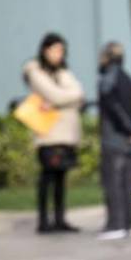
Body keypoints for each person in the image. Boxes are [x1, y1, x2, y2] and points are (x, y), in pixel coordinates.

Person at [23, 33, 84, 234]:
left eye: (62, 50)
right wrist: (68, 98)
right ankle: (43, 221)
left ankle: (59, 219)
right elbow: (55, 95)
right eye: (55, 49)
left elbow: (79, 93)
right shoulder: (35, 70)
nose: (59, 54)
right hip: (48, 134)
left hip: (66, 135)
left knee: (61, 178)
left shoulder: (63, 72)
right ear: (45, 50)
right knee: (47, 178)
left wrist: (62, 100)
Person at [97, 42, 131, 240]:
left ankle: (115, 225)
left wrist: (126, 127)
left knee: (112, 183)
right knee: (127, 184)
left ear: (107, 56)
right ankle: (129, 224)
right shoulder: (128, 79)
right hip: (130, 141)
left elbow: (112, 106)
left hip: (114, 140)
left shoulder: (107, 79)